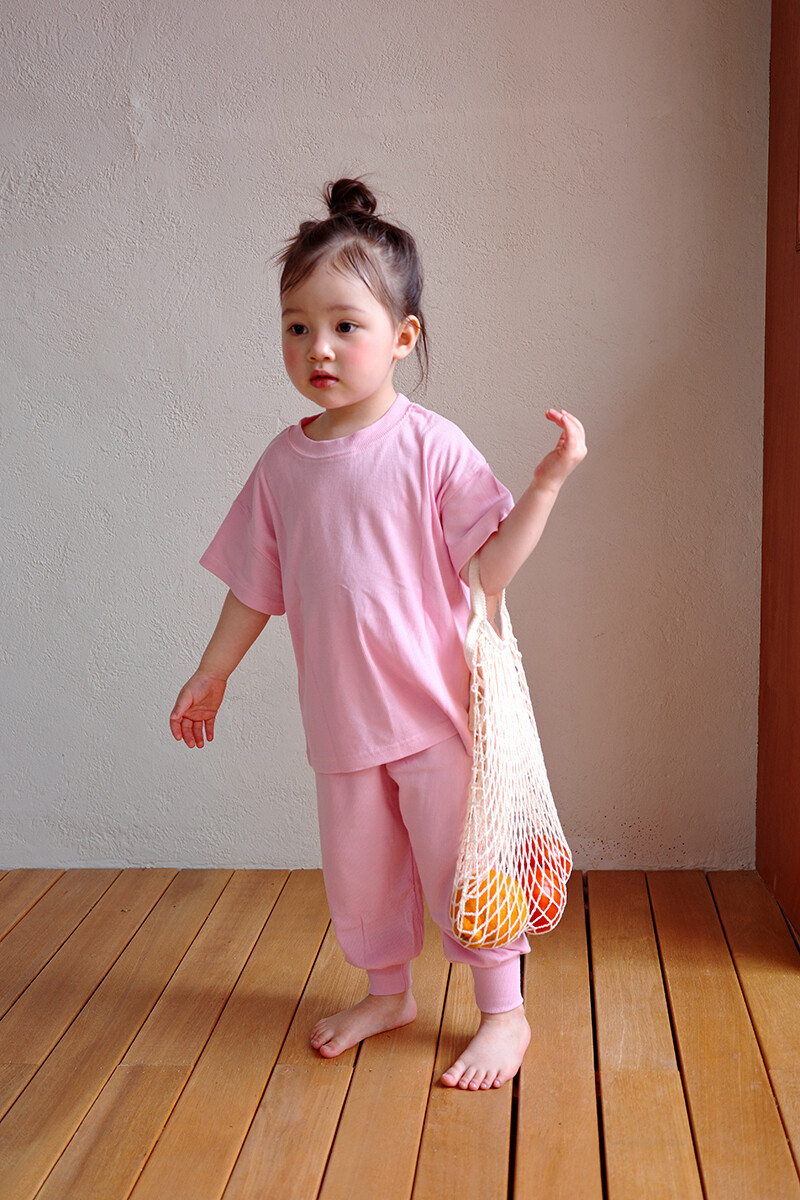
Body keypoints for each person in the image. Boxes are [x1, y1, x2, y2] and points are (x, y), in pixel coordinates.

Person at [170, 178, 586, 1090]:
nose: (317, 346)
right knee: (360, 878)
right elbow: (254, 585)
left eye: (344, 325)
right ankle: (387, 993)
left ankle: (503, 1013)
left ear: (403, 337)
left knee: (463, 866)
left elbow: (488, 571)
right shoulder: (283, 465)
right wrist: (213, 670)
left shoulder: (430, 446)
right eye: (297, 326)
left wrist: (547, 485)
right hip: (343, 725)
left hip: (435, 715)